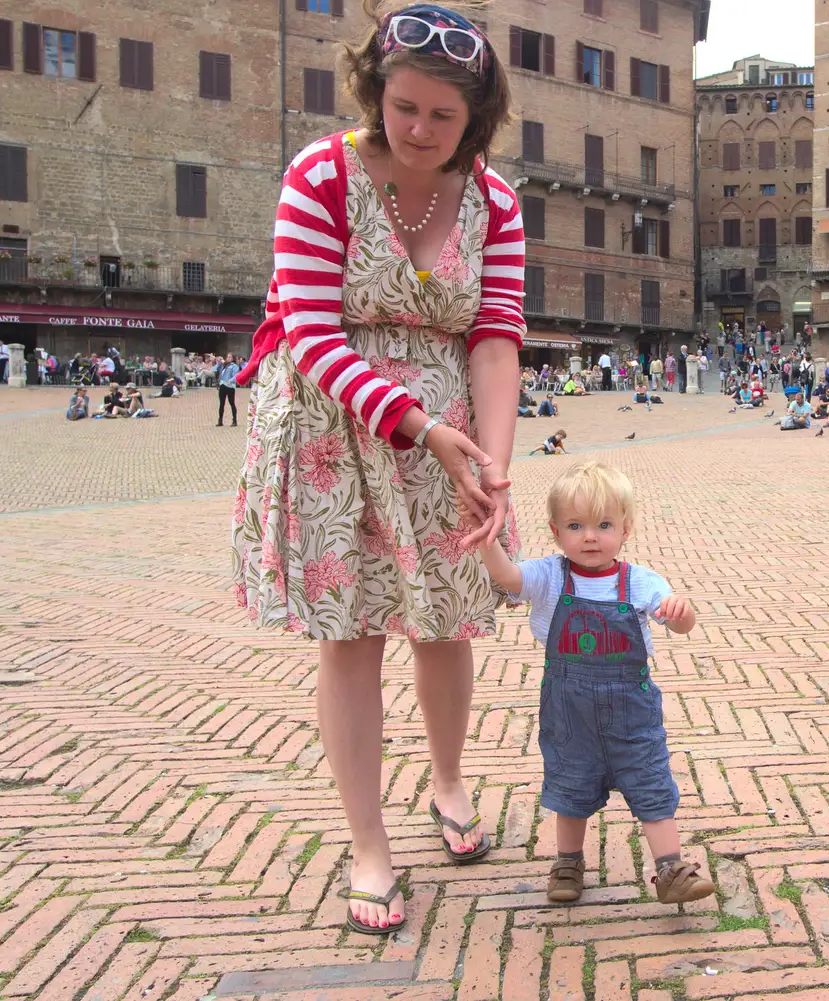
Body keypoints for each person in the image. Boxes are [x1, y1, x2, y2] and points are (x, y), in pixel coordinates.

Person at [229, 3, 525, 938]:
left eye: (444, 117)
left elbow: (495, 340)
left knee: (446, 624)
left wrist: (496, 464)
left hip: (448, 431)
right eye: (404, 107)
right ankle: (369, 845)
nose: (420, 131)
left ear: (474, 121)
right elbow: (310, 332)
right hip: (332, 425)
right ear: (376, 91)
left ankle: (446, 779)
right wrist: (418, 425)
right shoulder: (321, 174)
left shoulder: (497, 202)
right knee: (349, 633)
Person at [475, 461, 712, 905]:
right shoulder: (549, 576)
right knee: (570, 785)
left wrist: (682, 612)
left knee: (651, 782)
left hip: (631, 714)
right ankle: (567, 862)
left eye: (603, 525)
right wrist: (488, 539)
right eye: (575, 525)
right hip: (570, 711)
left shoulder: (640, 581)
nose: (589, 536)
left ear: (626, 529)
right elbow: (507, 578)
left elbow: (678, 622)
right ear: (556, 531)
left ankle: (671, 869)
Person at [215, 353, 240, 427]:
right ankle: (220, 420)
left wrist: (231, 380)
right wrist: (218, 362)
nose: (228, 358)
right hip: (222, 385)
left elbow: (236, 375)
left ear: (233, 358)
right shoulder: (223, 365)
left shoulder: (234, 366)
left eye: (230, 357)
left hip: (230, 386)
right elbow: (215, 370)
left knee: (232, 403)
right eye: (227, 357)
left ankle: (234, 420)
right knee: (221, 403)